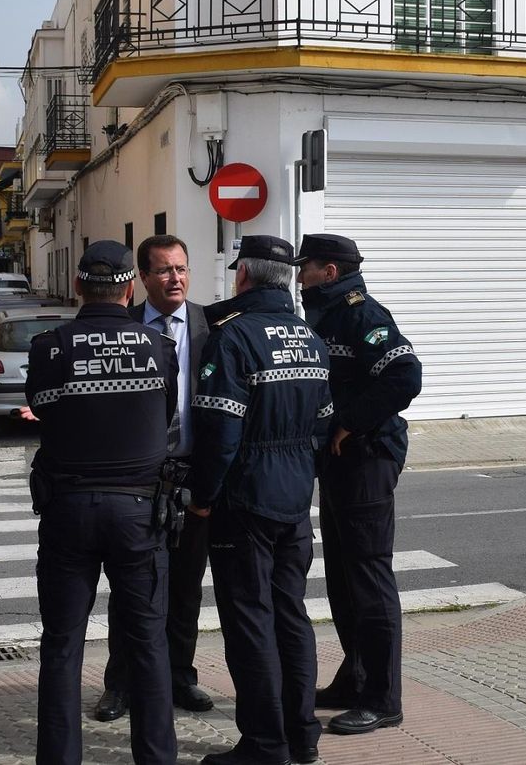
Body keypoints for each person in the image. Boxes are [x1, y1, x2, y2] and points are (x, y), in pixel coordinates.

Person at [26, 240, 179, 765]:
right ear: (131, 286)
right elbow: (163, 417)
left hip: (68, 508)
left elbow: (42, 410)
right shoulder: (159, 347)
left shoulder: (49, 346)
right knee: (149, 643)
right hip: (139, 512)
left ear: (76, 287)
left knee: (62, 643)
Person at [186, 235, 332, 765]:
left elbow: (220, 432)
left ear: (242, 276)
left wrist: (201, 498)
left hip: (245, 498)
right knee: (291, 616)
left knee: (250, 621)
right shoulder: (309, 337)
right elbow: (321, 423)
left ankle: (264, 744)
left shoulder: (233, 336)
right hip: (294, 494)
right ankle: (302, 737)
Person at [295, 233, 422, 736]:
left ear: (330, 271)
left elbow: (406, 376)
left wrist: (349, 421)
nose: (299, 273)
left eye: (307, 265)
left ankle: (383, 699)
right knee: (346, 579)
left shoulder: (364, 314)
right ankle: (356, 678)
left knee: (369, 577)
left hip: (368, 457)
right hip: (341, 463)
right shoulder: (324, 314)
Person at [97, 234, 215, 721]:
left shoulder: (212, 326)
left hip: (193, 472)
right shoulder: (123, 327)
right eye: (164, 270)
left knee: (186, 586)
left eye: (182, 269)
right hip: (138, 478)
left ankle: (179, 678)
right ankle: (120, 684)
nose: (176, 279)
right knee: (133, 586)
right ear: (142, 279)